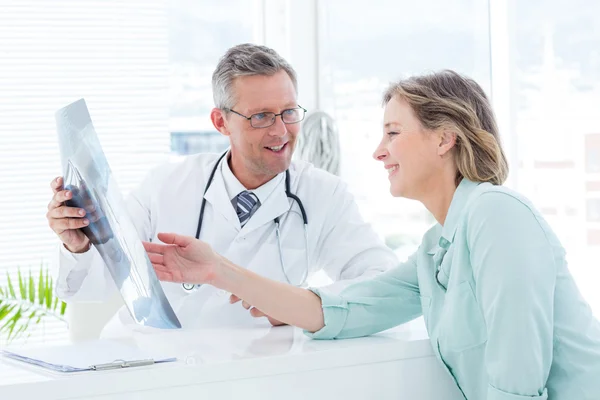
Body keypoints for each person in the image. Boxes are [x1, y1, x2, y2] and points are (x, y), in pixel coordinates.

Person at [142, 70, 600, 399]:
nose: (379, 152)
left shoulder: (497, 214)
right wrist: (218, 271)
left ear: (444, 139)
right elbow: (345, 309)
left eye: (393, 132)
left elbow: (517, 378)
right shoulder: (436, 249)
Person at [47, 43, 397, 333]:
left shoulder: (323, 194)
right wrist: (78, 247)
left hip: (249, 372)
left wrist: (298, 305)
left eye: (289, 112)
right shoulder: (166, 185)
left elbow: (381, 284)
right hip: (152, 361)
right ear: (220, 122)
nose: (280, 131)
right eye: (260, 117)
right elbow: (92, 289)